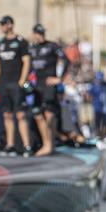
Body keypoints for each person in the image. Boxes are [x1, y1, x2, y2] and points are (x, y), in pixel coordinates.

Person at [0, 15, 32, 155]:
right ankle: (10, 145)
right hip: (3, 83)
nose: (1, 27)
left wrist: (23, 79)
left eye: (3, 24)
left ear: (10, 25)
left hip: (16, 83)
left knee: (21, 114)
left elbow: (27, 61)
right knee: (7, 115)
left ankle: (27, 145)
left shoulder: (21, 42)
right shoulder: (0, 43)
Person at [29, 24, 66, 156]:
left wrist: (59, 78)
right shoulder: (32, 48)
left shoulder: (52, 46)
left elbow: (66, 60)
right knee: (38, 115)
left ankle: (50, 144)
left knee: (50, 115)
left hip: (49, 84)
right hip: (37, 85)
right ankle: (47, 143)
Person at [89, 71, 106, 137]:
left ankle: (105, 135)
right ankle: (98, 135)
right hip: (97, 108)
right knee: (97, 123)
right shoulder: (94, 86)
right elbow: (90, 96)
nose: (99, 80)